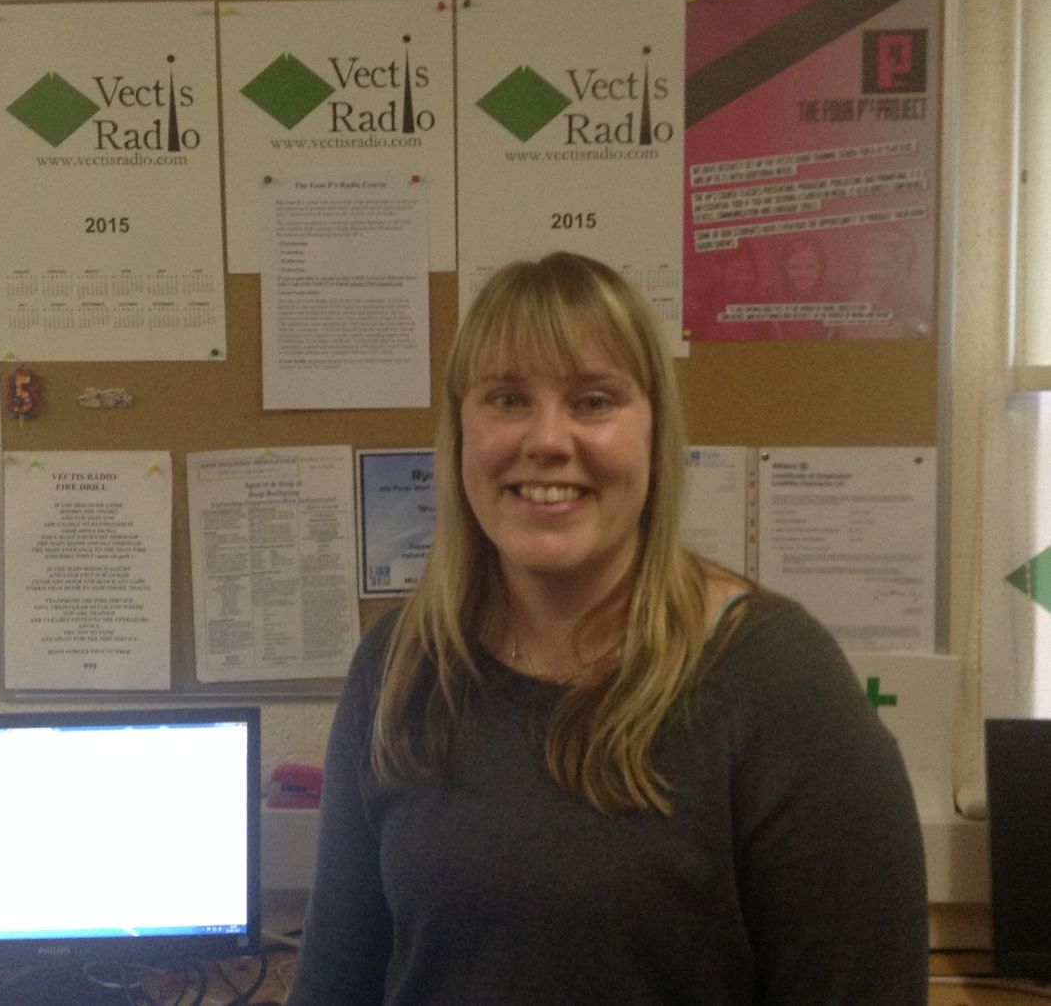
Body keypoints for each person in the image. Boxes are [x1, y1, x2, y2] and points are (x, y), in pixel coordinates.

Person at [288, 251, 927, 1005]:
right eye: (507, 398)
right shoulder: (400, 666)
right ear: (460, 432)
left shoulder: (780, 684)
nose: (547, 440)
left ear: (654, 433)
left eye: (593, 401)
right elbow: (334, 981)